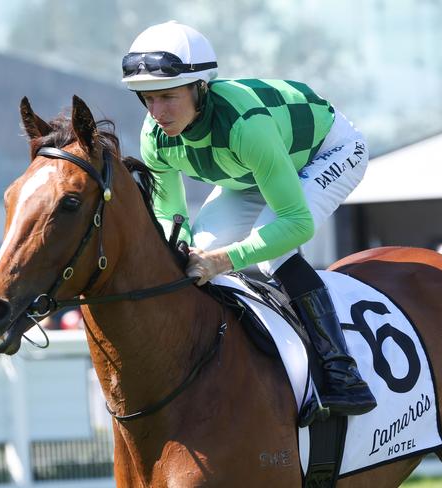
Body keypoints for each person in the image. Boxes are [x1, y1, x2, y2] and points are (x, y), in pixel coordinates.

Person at [121, 21, 376, 423]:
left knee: (270, 247)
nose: (157, 113)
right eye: (147, 99)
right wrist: (191, 251)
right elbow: (173, 218)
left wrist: (224, 261)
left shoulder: (245, 126)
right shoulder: (155, 137)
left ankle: (341, 372)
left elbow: (296, 224)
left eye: (168, 97)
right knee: (196, 254)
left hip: (325, 152)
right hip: (254, 171)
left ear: (200, 88)